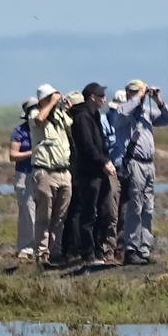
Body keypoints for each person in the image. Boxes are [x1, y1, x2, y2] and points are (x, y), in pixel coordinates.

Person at [115, 79, 168, 265]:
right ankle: (131, 248)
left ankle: (144, 248)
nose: (138, 95)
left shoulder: (146, 112)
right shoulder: (123, 111)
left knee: (148, 207)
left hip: (149, 164)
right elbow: (124, 110)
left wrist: (158, 100)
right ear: (128, 94)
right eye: (133, 92)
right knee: (135, 205)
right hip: (134, 163)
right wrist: (138, 96)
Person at [71, 82, 117, 265]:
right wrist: (103, 161)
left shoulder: (95, 115)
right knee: (89, 214)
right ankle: (88, 253)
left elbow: (100, 143)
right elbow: (87, 147)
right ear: (92, 97)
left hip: (100, 171)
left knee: (104, 212)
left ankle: (99, 251)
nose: (104, 99)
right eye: (101, 96)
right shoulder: (82, 117)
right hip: (88, 173)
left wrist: (107, 160)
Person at [29, 84, 73, 267]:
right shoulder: (35, 113)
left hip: (64, 171)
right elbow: (39, 120)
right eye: (52, 97)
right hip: (45, 171)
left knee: (60, 216)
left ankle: (55, 251)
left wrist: (66, 110)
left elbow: (72, 129)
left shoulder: (60, 116)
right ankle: (41, 253)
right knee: (44, 216)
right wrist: (51, 102)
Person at [10, 97, 38, 259]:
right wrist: (33, 152)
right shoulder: (19, 131)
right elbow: (13, 155)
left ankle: (39, 246)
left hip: (41, 173)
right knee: (27, 210)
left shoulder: (44, 128)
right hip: (24, 174)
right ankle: (26, 246)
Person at [61, 90, 85, 263]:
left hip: (74, 170)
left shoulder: (74, 121)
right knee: (76, 211)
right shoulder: (87, 118)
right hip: (78, 171)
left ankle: (72, 248)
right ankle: (75, 247)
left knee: (73, 211)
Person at [102, 90, 127, 259]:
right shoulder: (103, 121)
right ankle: (107, 248)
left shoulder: (129, 120)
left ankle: (122, 247)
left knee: (126, 209)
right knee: (111, 210)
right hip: (110, 169)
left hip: (127, 169)